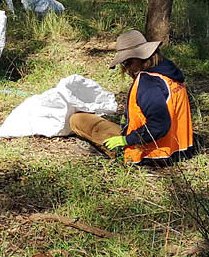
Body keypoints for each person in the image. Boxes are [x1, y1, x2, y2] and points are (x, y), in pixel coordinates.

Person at [68, 30, 195, 166]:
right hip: (181, 149)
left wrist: (127, 140)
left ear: (142, 57)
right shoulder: (168, 72)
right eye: (124, 64)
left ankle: (114, 152)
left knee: (77, 119)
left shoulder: (148, 83)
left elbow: (159, 125)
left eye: (127, 62)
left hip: (150, 154)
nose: (126, 69)